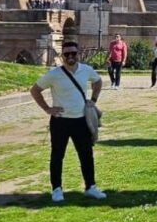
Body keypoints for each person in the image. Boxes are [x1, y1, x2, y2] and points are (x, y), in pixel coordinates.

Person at [29, 41, 107, 202]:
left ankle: (90, 187)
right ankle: (57, 189)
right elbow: (35, 90)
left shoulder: (86, 70)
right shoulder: (54, 74)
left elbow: (98, 81)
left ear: (79, 54)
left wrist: (93, 99)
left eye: (74, 53)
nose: (70, 57)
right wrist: (47, 109)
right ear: (62, 56)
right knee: (57, 155)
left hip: (80, 120)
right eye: (67, 54)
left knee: (86, 155)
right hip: (60, 121)